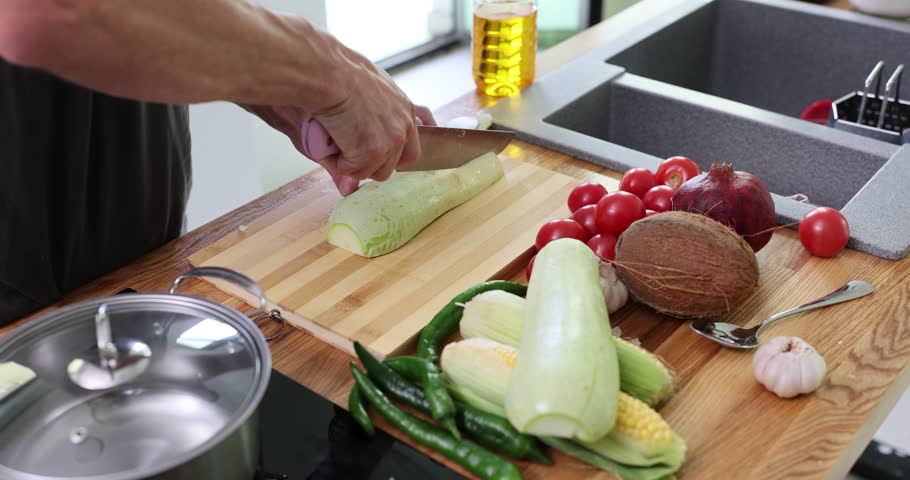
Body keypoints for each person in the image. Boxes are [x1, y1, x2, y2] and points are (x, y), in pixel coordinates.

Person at [0, 1, 436, 324]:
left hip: (141, 269)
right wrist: (328, 73)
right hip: (21, 303)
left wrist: (281, 93)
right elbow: (50, 11)